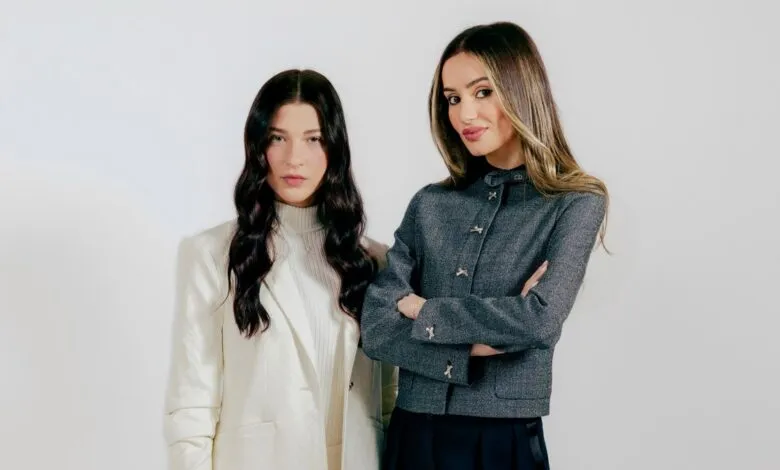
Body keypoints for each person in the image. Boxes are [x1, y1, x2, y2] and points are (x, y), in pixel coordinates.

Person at [360, 21, 609, 470]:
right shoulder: (429, 204)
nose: (463, 115)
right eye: (452, 98)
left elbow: (539, 321)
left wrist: (423, 310)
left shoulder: (575, 203)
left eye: (482, 92)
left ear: (521, 89)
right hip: (412, 433)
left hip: (504, 441)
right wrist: (481, 342)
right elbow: (376, 328)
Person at [163, 69, 397, 470]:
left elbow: (389, 403)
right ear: (259, 146)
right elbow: (192, 404)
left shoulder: (374, 261)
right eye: (278, 138)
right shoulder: (211, 255)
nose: (294, 158)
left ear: (334, 147)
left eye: (313, 139)